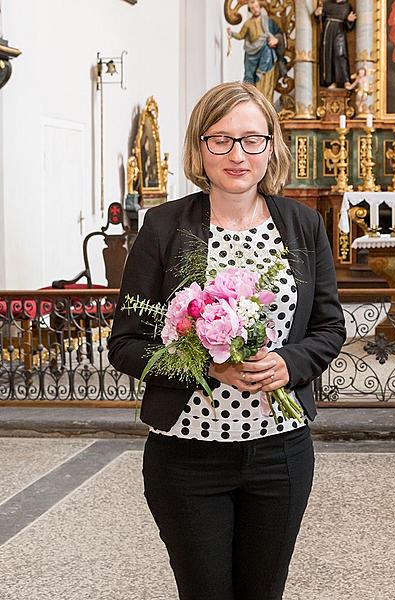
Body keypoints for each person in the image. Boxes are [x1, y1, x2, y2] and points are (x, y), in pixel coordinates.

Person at [108, 82, 346, 600]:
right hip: (188, 455)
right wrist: (205, 367)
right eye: (221, 140)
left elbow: (329, 328)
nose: (237, 154)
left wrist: (289, 362)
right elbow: (126, 341)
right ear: (199, 148)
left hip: (279, 452)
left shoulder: (302, 226)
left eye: (251, 139)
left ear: (271, 147)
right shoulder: (166, 226)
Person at [227, 0, 280, 101]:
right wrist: (232, 33)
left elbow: (278, 33)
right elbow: (240, 35)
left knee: (264, 76)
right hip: (251, 54)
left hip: (265, 52)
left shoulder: (267, 21)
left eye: (256, 7)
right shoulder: (248, 24)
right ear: (250, 10)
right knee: (249, 79)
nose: (255, 10)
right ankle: (251, 101)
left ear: (260, 7)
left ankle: (264, 101)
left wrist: (276, 40)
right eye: (252, 8)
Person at [314, 0, 357, 89]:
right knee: (329, 56)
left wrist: (349, 20)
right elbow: (320, 20)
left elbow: (349, 26)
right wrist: (317, 13)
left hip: (339, 31)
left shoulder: (347, 6)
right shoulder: (327, 4)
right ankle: (332, 81)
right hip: (328, 32)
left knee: (340, 54)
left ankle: (345, 81)